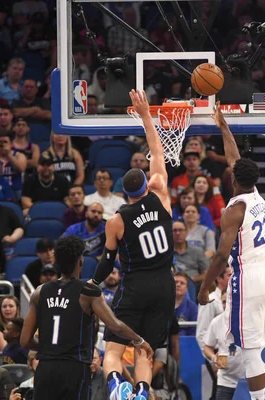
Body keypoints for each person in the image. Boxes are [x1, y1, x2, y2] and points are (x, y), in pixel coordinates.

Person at [198, 102, 265, 400]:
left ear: (233, 179)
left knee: (251, 349)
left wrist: (205, 289)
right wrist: (224, 127)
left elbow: (219, 256)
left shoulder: (233, 211)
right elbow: (234, 160)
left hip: (248, 277)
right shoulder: (256, 195)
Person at [88, 90, 175, 400]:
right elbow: (158, 152)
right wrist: (147, 116)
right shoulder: (162, 197)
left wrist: (94, 281)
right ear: (147, 185)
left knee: (113, 350)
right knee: (145, 352)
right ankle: (140, 392)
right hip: (164, 285)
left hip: (135, 286)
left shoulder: (117, 219)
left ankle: (115, 386)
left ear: (124, 193)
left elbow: (108, 260)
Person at [20, 235, 153, 400]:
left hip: (45, 368)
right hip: (74, 368)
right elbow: (116, 326)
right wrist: (138, 339)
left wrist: (48, 349)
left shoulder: (39, 292)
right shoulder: (88, 292)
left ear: (57, 262)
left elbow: (25, 341)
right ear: (80, 261)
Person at [203, 290, 246, 400]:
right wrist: (213, 357)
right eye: (223, 302)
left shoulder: (251, 320)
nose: (226, 305)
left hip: (249, 379)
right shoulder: (216, 322)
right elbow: (207, 347)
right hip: (225, 380)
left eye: (230, 301)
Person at [20, 152, 70, 216]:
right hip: (37, 213)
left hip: (57, 212)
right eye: (43, 165)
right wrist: (43, 210)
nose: (45, 167)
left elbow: (68, 201)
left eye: (48, 165)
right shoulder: (29, 180)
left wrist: (53, 210)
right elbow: (25, 202)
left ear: (53, 167)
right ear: (37, 166)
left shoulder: (63, 180)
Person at [174, 272, 198, 336]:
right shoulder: (163, 305)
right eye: (176, 282)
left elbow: (193, 332)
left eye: (182, 283)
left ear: (187, 288)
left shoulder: (193, 308)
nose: (178, 285)